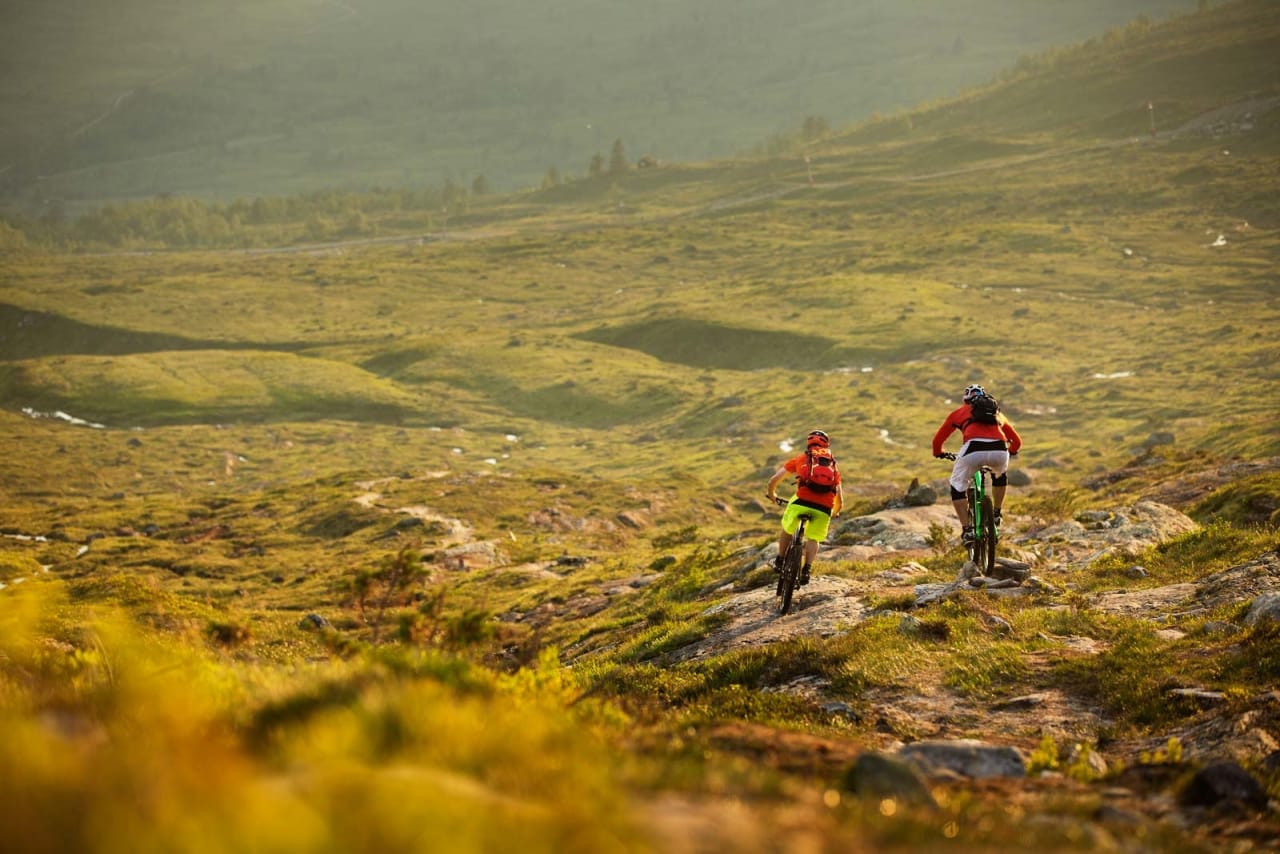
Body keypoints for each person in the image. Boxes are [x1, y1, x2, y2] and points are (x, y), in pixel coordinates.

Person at [932, 384, 1022, 544]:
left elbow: (938, 439)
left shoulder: (959, 412)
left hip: (973, 449)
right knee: (1000, 475)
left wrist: (938, 452)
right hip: (1000, 449)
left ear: (966, 400)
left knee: (957, 485)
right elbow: (1017, 441)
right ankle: (996, 513)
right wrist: (1012, 451)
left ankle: (967, 530)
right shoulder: (997, 413)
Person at [765, 430, 844, 586]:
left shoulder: (800, 459)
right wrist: (834, 512)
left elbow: (773, 480)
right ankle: (807, 569)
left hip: (801, 502)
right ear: (826, 445)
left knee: (787, 529)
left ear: (808, 444)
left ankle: (780, 560)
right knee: (813, 538)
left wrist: (772, 495)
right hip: (824, 508)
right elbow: (839, 499)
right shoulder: (833, 466)